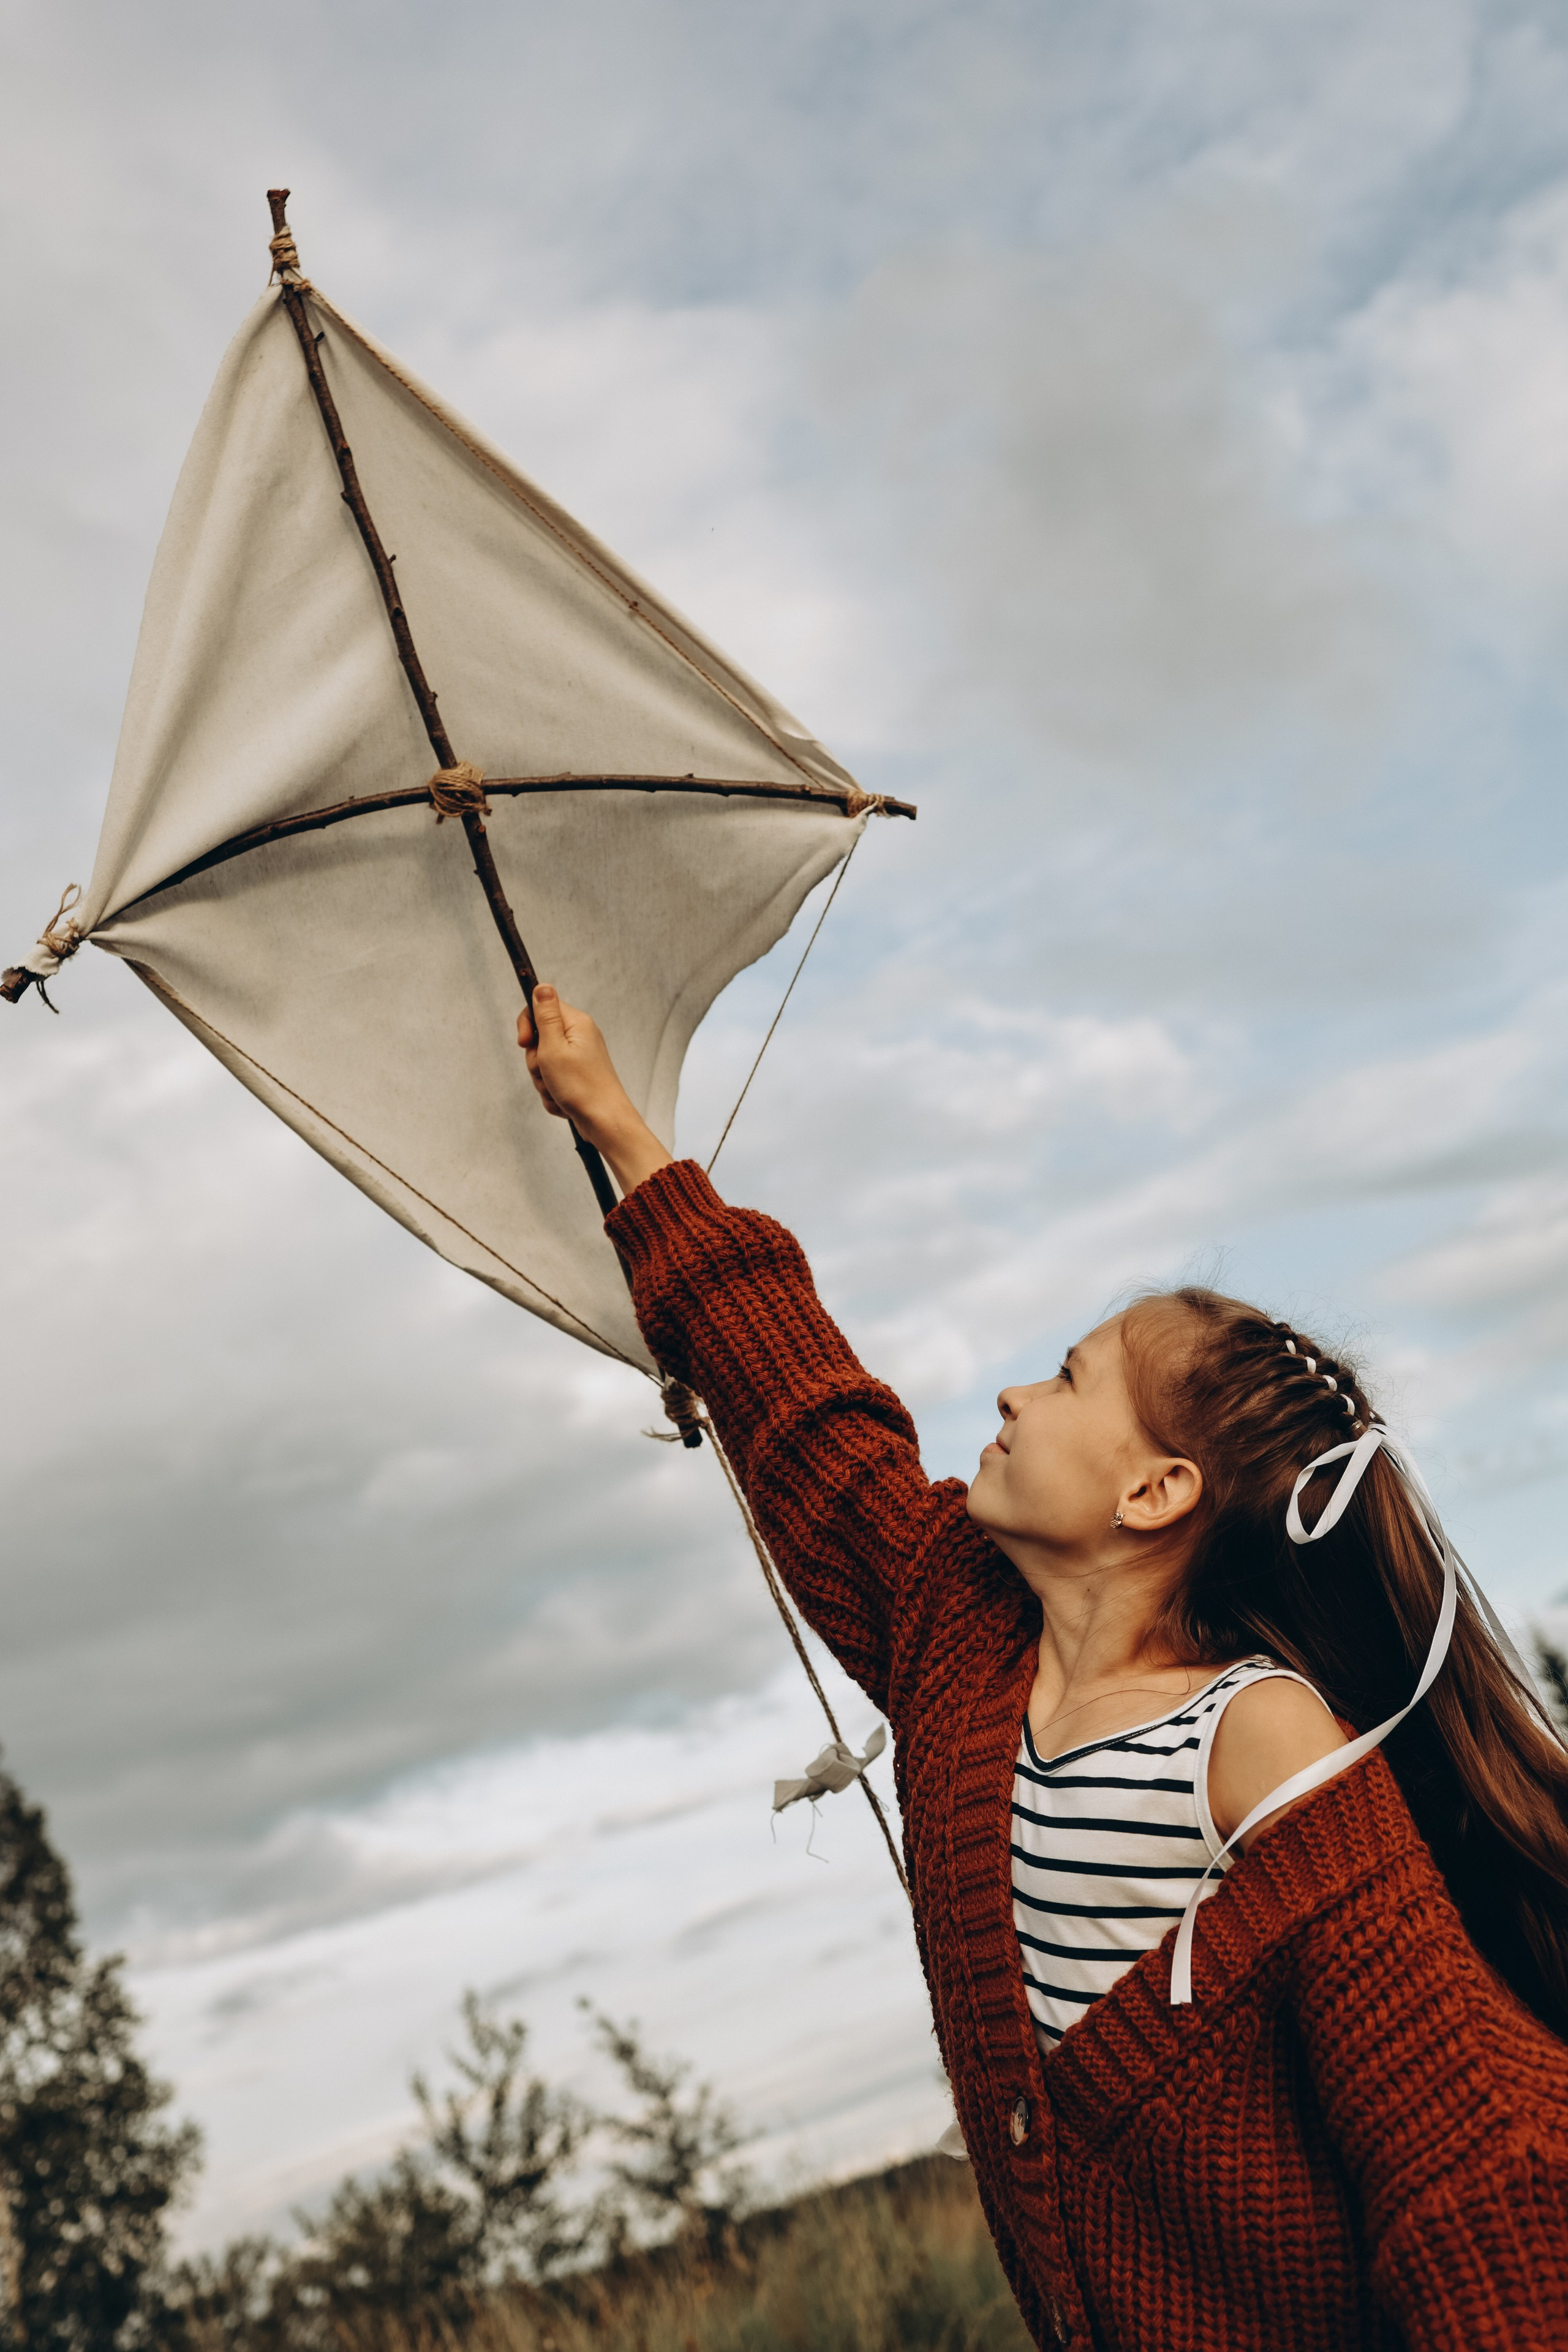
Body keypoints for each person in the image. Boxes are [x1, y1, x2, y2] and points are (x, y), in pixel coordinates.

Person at [518, 982, 1568, 2351]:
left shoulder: (1256, 1743)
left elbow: (1469, 2167)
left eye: (1066, 1381)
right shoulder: (960, 1640)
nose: (1014, 1397)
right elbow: (812, 1425)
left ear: (1154, 1495)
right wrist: (619, 1130)